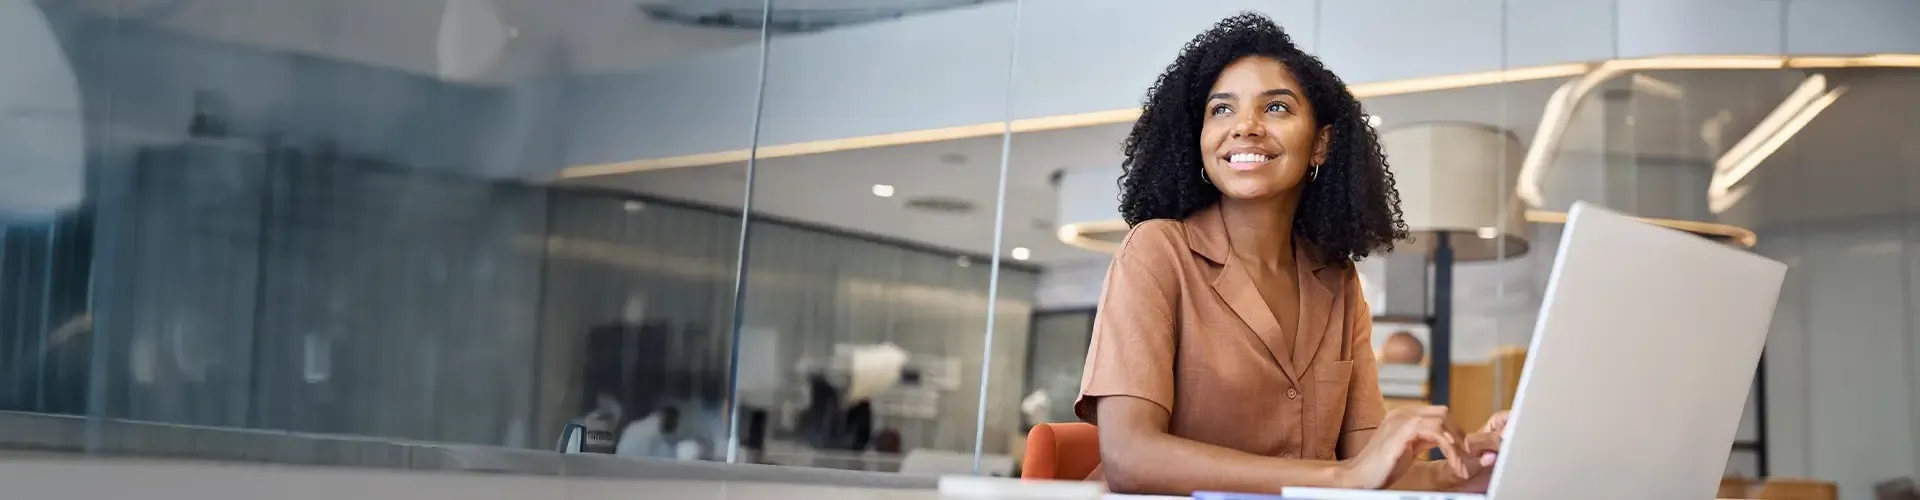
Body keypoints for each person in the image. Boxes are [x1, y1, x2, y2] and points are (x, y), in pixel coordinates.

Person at [1074, 12, 1507, 495]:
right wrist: (1339, 476)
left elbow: (1371, 469)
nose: (1245, 127)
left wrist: (1470, 467)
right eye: (1221, 110)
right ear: (1197, 142)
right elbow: (1130, 457)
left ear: (1320, 143)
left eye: (1275, 108)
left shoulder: (1337, 281)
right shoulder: (1158, 251)